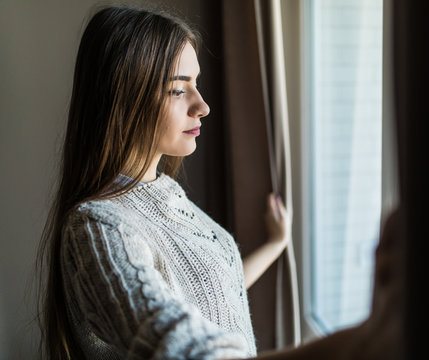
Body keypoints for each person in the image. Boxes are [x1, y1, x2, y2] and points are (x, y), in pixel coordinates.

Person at [37, 5, 399, 360]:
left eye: (196, 84)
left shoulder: (164, 192)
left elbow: (207, 291)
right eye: (178, 90)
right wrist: (362, 343)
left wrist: (277, 244)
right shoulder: (97, 228)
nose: (203, 105)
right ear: (123, 96)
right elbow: (185, 345)